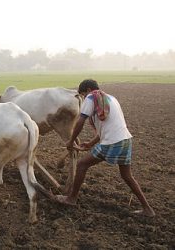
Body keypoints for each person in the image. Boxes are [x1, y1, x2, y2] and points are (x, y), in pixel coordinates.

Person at [56, 79, 155, 217]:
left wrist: (71, 140)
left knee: (82, 165)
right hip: (125, 140)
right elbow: (107, 127)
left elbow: (80, 121)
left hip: (112, 143)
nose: (84, 98)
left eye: (83, 94)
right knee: (127, 176)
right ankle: (147, 209)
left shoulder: (92, 97)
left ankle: (71, 198)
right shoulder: (111, 99)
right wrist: (90, 144)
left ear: (89, 90)